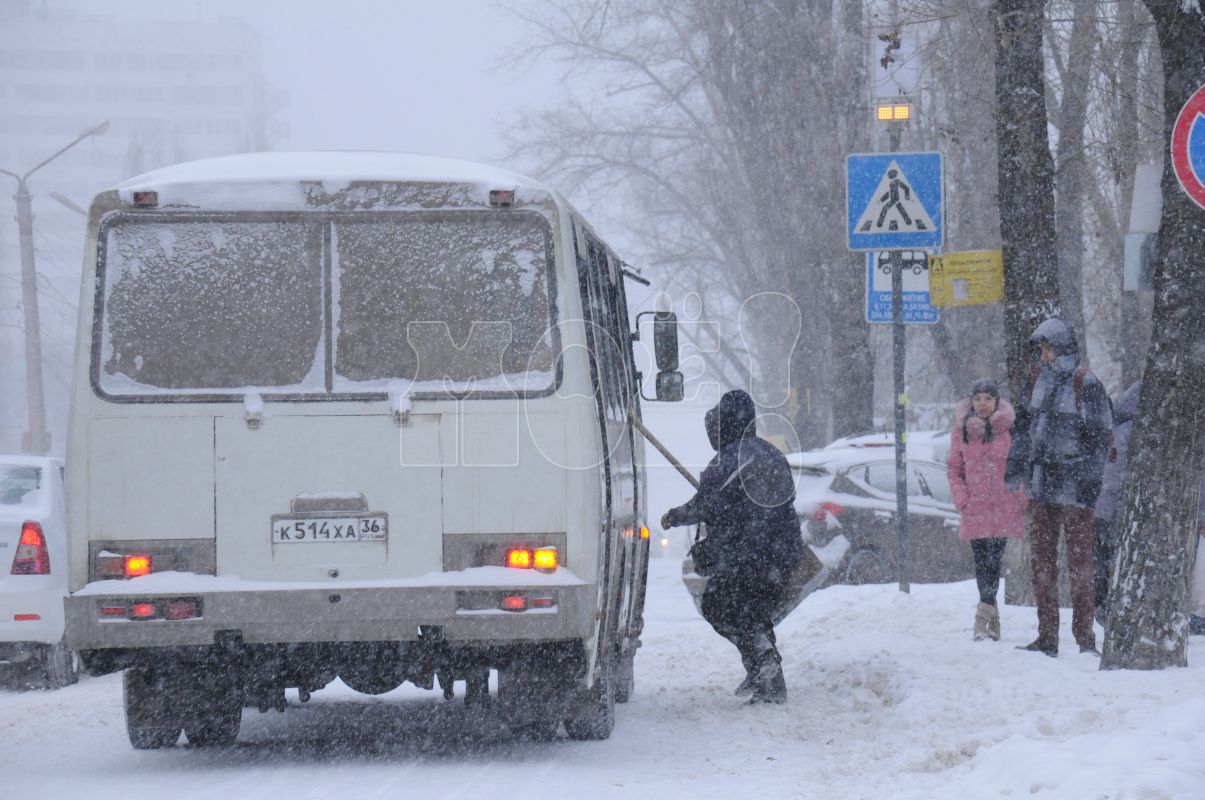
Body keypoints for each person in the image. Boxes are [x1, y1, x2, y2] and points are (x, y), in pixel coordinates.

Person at [661, 389, 804, 704]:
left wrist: (674, 516)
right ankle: (760, 667)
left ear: (724, 425)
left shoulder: (727, 462)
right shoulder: (771, 454)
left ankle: (766, 670)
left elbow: (704, 507)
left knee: (721, 606)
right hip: (782, 555)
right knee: (754, 609)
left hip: (750, 557)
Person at [1005, 318, 1112, 657]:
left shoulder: (1087, 384)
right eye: (1042, 349)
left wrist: (1089, 485)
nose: (1045, 355)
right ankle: (1047, 636)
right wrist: (1015, 469)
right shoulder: (1036, 381)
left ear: (1063, 348)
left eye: (1049, 348)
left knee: (1081, 566)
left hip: (1076, 490)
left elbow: (1098, 440)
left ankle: (1085, 637)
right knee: (1041, 564)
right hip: (1040, 487)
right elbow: (1022, 428)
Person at [946, 379, 1028, 641]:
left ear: (996, 402)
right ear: (971, 402)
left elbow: (1021, 466)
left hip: (1004, 506)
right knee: (982, 563)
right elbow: (954, 470)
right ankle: (987, 618)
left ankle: (986, 618)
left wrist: (1019, 497)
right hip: (976, 508)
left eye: (988, 399)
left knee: (995, 561)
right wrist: (963, 500)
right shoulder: (961, 432)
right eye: (978, 398)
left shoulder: (1010, 430)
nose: (982, 404)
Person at [1093, 379, 1141, 616]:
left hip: (1107, 507)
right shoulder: (1129, 431)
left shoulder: (1118, 429)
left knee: (1103, 559)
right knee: (1113, 558)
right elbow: (1114, 476)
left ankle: (1103, 604)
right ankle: (1108, 606)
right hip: (1116, 510)